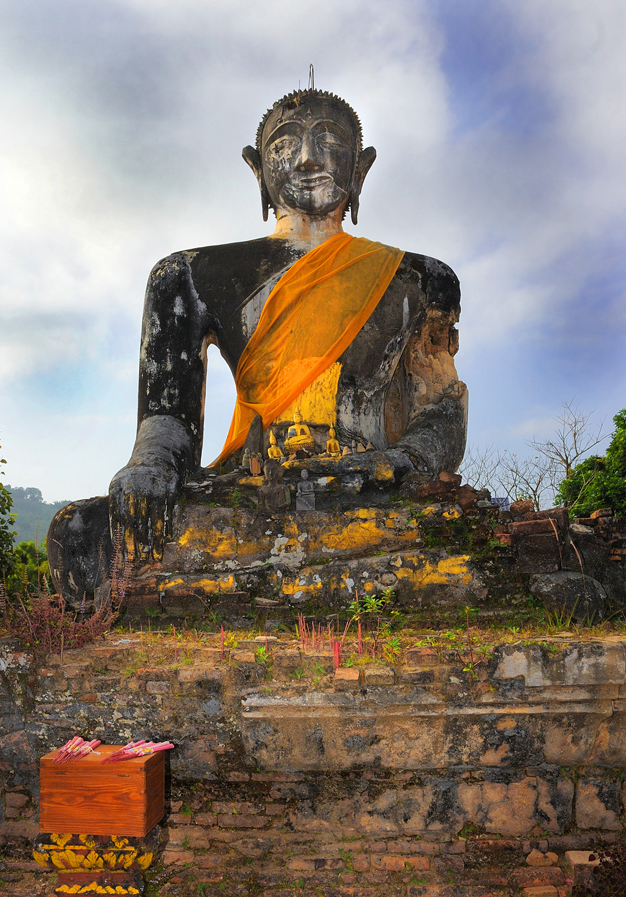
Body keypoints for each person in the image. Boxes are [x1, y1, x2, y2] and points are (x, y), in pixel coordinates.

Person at [48, 86, 466, 597]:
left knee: (452, 532)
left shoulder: (421, 279)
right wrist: (150, 466)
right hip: (251, 482)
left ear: (361, 168)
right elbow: (168, 425)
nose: (308, 158)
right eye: (286, 142)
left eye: (329, 140)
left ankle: (231, 587)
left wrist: (404, 461)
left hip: (369, 492)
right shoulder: (188, 275)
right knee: (78, 533)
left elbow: (442, 407)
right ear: (257, 169)